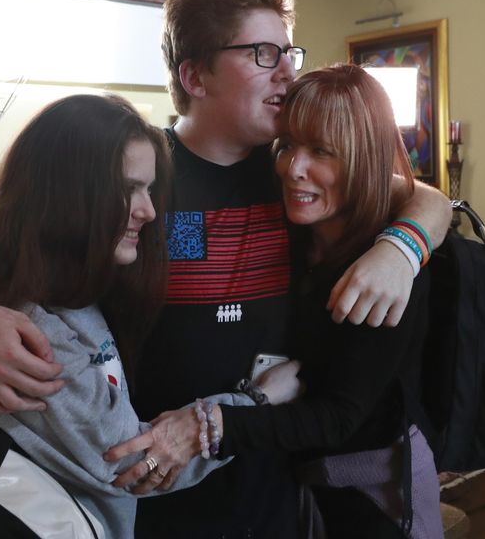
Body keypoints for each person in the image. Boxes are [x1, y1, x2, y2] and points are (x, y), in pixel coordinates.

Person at [0, 0, 453, 538]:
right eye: (263, 54)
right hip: (148, 484)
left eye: (288, 51)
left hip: (270, 476)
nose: (289, 72)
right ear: (194, 75)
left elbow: (423, 197)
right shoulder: (139, 168)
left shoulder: (296, 174)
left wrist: (401, 248)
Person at [0, 93, 279, 538]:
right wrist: (258, 403)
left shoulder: (68, 281)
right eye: (128, 190)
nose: (149, 211)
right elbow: (127, 464)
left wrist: (394, 244)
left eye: (147, 190)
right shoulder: (25, 329)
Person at [108, 64, 444, 538]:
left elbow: (340, 416)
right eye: (286, 146)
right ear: (195, 77)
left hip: (373, 488)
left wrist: (210, 424)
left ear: (361, 159)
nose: (292, 166)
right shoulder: (282, 219)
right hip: (269, 482)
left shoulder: (381, 265)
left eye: (321, 151)